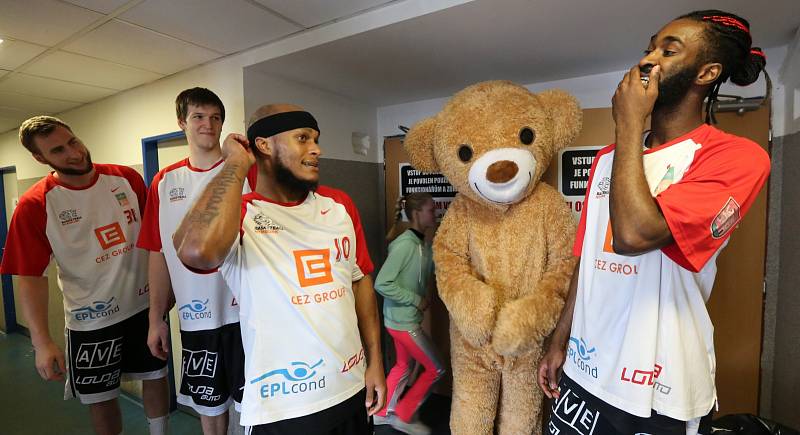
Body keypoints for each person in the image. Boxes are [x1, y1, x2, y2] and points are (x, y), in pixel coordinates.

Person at [538, 10, 770, 435]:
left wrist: (629, 123)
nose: (647, 60)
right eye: (649, 48)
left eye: (668, 50)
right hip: (585, 371)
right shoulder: (607, 160)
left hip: (660, 388)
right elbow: (586, 259)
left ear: (708, 72)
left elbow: (634, 234)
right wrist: (559, 341)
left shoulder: (735, 157)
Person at [173, 104, 386, 434]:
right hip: (283, 408)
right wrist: (235, 164)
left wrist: (376, 362)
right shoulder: (241, 215)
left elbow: (360, 283)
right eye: (303, 138)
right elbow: (197, 250)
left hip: (351, 389)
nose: (316, 149)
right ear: (264, 145)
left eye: (315, 139)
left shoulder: (339, 205)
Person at [0, 116, 170, 435]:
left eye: (73, 141)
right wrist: (41, 342)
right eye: (59, 150)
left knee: (155, 376)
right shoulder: (35, 204)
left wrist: (164, 296)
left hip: (143, 307)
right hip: (90, 320)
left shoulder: (126, 178)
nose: (74, 153)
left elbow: (155, 241)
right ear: (40, 158)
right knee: (100, 398)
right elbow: (30, 276)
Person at [137, 88, 256, 434]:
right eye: (199, 117)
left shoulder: (245, 172)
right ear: (181, 123)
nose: (209, 124)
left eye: (216, 117)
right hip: (196, 319)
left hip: (247, 315)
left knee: (253, 411)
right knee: (211, 413)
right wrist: (155, 317)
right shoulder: (164, 182)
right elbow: (157, 253)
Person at [373, 193, 444, 435]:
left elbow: (424, 269)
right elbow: (382, 283)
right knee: (436, 368)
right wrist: (415, 300)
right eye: (430, 210)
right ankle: (403, 415)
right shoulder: (405, 245)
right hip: (402, 323)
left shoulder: (420, 244)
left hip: (402, 320)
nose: (434, 214)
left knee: (402, 365)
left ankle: (381, 414)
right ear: (416, 214)